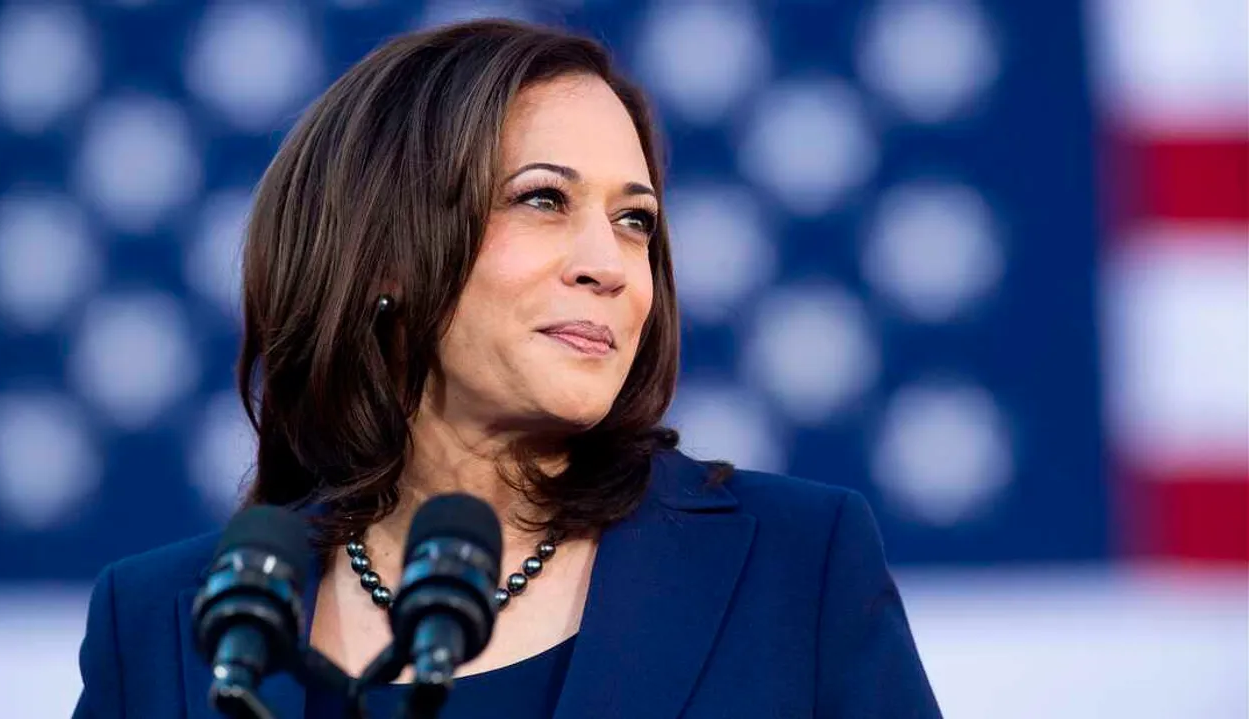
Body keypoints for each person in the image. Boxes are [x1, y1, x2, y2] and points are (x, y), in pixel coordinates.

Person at [73, 18, 941, 719]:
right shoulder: (164, 625)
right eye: (543, 199)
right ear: (386, 258)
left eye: (635, 220)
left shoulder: (798, 566)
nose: (610, 263)